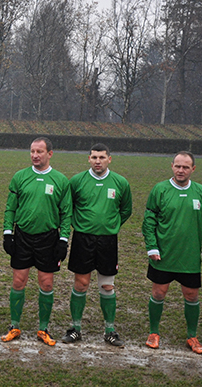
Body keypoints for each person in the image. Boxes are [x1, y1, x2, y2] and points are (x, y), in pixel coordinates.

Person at [142, 151, 202, 354]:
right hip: (162, 255)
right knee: (158, 292)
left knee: (191, 296)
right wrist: (152, 246)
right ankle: (153, 332)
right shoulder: (160, 189)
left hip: (189, 257)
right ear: (172, 166)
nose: (180, 170)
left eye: (185, 167)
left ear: (193, 169)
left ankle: (192, 336)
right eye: (177, 166)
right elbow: (149, 222)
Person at [1, 137, 72, 346]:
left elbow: (66, 213)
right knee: (18, 282)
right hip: (22, 236)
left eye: (39, 151)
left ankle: (43, 329)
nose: (35, 155)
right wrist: (7, 233)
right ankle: (14, 326)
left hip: (48, 239)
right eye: (32, 151)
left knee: (47, 283)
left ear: (50, 154)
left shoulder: (60, 180)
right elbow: (10, 208)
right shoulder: (20, 177)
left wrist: (63, 239)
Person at [63, 143, 132, 347]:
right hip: (83, 239)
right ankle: (75, 328)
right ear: (89, 159)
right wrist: (79, 224)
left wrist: (112, 225)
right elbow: (69, 207)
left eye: (102, 157)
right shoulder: (77, 181)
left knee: (107, 285)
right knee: (81, 284)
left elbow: (126, 210)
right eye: (94, 157)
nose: (98, 161)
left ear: (109, 159)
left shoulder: (120, 182)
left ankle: (110, 330)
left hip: (108, 240)